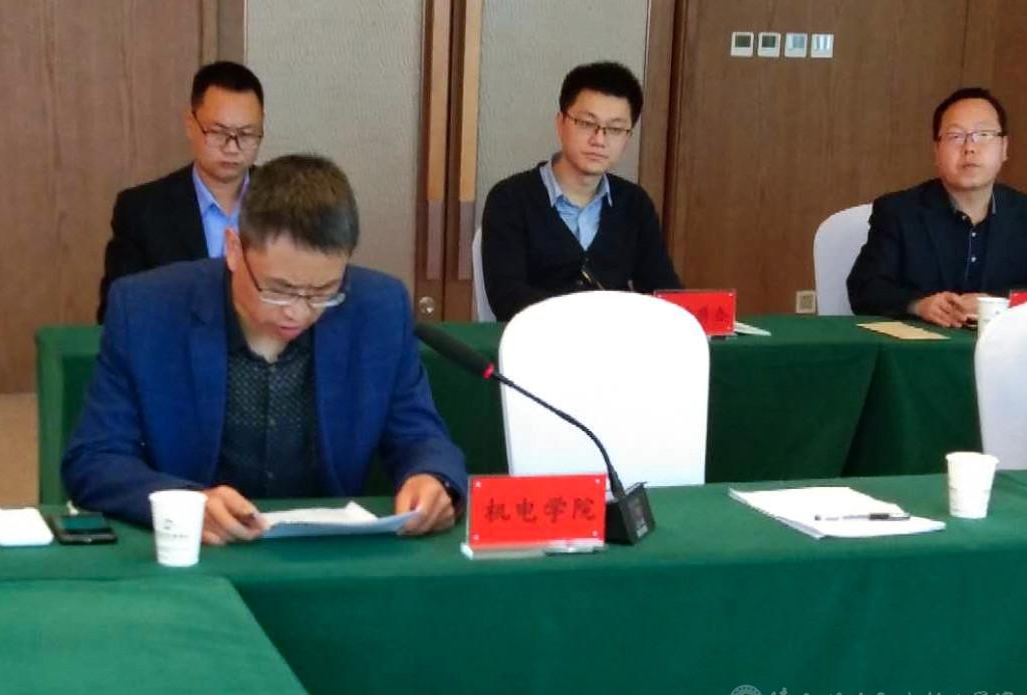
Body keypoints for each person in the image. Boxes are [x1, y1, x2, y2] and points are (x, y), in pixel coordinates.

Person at [65, 154, 466, 543]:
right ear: (234, 249)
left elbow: (419, 435)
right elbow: (95, 459)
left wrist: (432, 477)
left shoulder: (378, 309)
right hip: (197, 554)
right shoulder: (146, 310)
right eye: (278, 290)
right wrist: (189, 503)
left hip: (326, 556)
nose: (298, 311)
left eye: (324, 292)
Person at [480, 61, 681, 321]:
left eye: (615, 129)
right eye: (587, 123)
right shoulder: (510, 199)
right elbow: (507, 297)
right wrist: (592, 318)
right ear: (561, 123)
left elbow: (664, 290)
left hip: (617, 342)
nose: (599, 140)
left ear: (628, 136)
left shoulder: (635, 204)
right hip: (537, 340)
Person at [96, 61, 265, 322]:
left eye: (246, 134)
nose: (232, 148)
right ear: (190, 124)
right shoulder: (141, 211)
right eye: (218, 132)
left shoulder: (289, 204)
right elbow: (118, 313)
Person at [848, 87, 1027, 327]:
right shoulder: (898, 212)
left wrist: (998, 304)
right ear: (936, 151)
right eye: (956, 136)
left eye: (984, 134)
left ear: (1004, 147)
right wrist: (919, 305)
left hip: (1005, 347)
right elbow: (864, 288)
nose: (969, 148)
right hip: (921, 347)